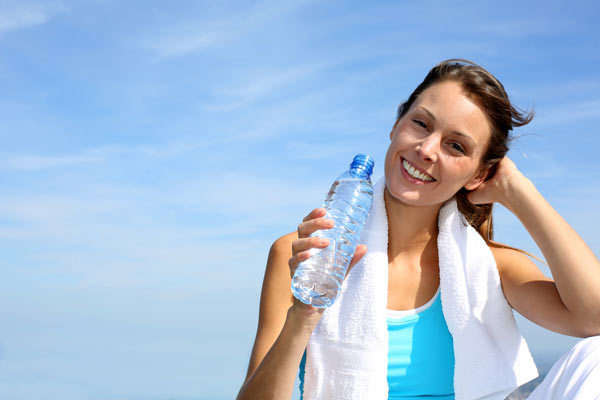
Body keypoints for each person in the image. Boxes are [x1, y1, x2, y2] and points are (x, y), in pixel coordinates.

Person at [236, 59, 600, 399]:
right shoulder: (304, 252)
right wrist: (305, 312)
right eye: (421, 124)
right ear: (396, 125)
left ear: (478, 174)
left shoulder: (490, 267)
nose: (426, 149)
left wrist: (519, 192)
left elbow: (593, 319)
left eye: (455, 146)